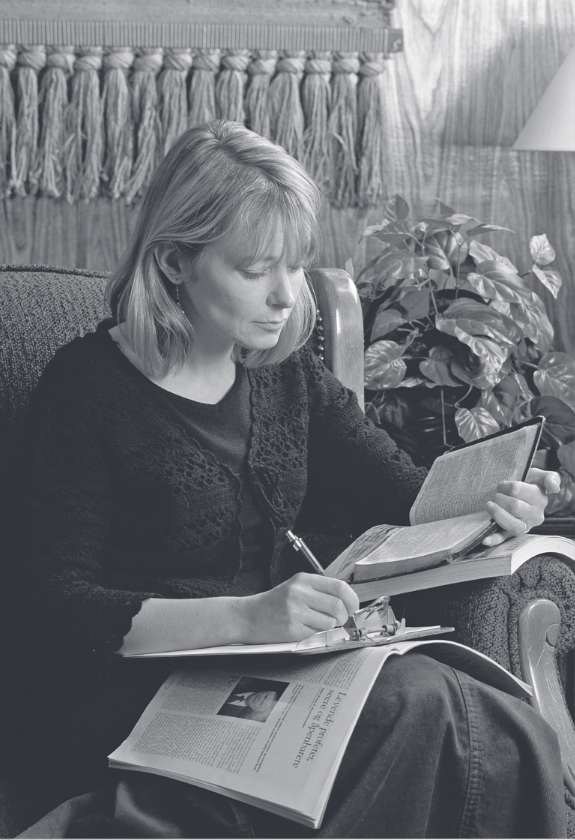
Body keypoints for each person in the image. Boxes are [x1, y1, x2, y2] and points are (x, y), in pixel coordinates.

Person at [18, 120, 565, 838]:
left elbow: (405, 496)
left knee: (493, 720)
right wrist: (246, 618)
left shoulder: (286, 377)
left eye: (293, 264)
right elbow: (58, 609)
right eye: (254, 270)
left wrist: (494, 501)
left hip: (278, 673)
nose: (285, 296)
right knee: (420, 707)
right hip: (139, 694)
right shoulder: (84, 391)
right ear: (176, 260)